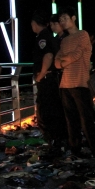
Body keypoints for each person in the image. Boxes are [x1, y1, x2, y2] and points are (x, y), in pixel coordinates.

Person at [53, 6, 95, 158]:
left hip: (80, 83)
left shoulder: (83, 35)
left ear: (73, 18)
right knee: (70, 120)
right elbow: (56, 62)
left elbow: (75, 55)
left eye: (65, 18)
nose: (62, 22)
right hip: (65, 84)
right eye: (60, 20)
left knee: (86, 120)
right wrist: (63, 61)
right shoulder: (64, 40)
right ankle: (75, 149)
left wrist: (64, 61)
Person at [30, 10, 67, 151]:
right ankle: (58, 138)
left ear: (34, 24)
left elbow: (48, 56)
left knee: (46, 110)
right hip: (52, 79)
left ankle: (53, 139)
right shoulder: (51, 37)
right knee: (54, 109)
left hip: (47, 79)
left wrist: (40, 75)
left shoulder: (42, 38)